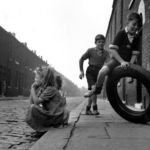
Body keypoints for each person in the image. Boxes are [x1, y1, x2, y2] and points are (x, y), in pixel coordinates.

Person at [84, 12, 142, 98]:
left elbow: (134, 54)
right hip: (117, 61)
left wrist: (130, 64)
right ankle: (97, 89)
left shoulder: (137, 38)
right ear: (128, 22)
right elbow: (113, 50)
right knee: (102, 72)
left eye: (138, 25)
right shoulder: (121, 33)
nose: (136, 27)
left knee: (141, 73)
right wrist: (122, 62)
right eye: (134, 24)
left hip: (128, 62)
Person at [25, 66, 70, 138]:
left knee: (34, 108)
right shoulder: (44, 89)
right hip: (54, 115)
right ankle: (41, 129)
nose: (35, 79)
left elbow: (36, 103)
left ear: (44, 78)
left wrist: (33, 89)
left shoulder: (50, 89)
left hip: (58, 117)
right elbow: (32, 103)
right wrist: (32, 90)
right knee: (33, 108)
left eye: (37, 77)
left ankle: (42, 130)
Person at [79, 34, 110, 115]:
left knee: (92, 92)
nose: (101, 43)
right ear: (95, 43)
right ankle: (95, 108)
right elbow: (81, 59)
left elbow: (108, 62)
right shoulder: (90, 50)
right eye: (99, 42)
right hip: (90, 71)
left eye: (103, 42)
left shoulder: (106, 53)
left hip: (99, 73)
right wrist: (81, 71)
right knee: (94, 89)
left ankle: (88, 110)